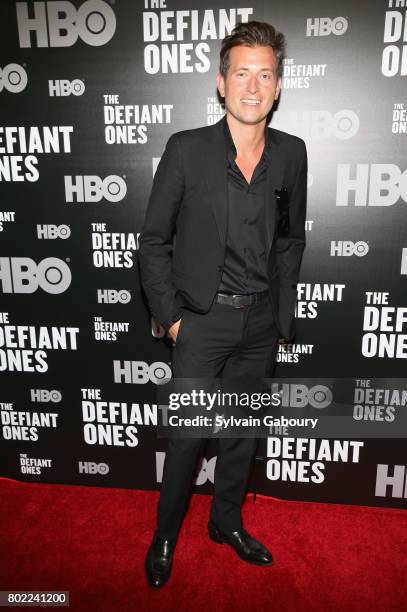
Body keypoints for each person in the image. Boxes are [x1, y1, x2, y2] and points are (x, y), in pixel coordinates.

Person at [138, 20, 308, 588]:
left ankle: (225, 523)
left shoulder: (292, 155)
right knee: (188, 436)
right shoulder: (187, 150)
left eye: (265, 75)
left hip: (260, 321)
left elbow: (289, 240)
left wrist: (280, 318)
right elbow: (154, 241)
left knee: (240, 435)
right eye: (242, 74)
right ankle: (165, 532)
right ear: (221, 82)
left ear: (279, 86)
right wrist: (173, 321)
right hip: (201, 322)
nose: (253, 86)